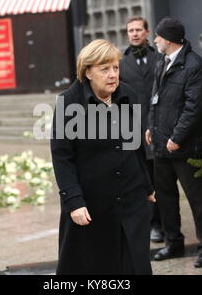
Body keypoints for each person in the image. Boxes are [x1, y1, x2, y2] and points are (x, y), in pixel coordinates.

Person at [51, 39, 155, 275]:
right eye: (104, 69)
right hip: (91, 203)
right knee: (94, 267)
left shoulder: (127, 93)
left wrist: (147, 186)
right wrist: (74, 202)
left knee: (135, 265)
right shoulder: (69, 101)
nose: (112, 75)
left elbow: (134, 144)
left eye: (116, 68)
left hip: (131, 196)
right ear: (87, 71)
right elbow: (61, 156)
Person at [146, 17, 202, 268]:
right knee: (165, 198)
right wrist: (150, 126)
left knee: (198, 199)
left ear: (168, 39)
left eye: (157, 36)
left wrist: (177, 138)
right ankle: (173, 243)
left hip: (185, 147)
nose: (154, 40)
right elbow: (155, 96)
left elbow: (194, 108)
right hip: (161, 145)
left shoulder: (194, 66)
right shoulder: (162, 62)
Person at [119, 16, 164, 243]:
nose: (134, 34)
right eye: (130, 31)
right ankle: (149, 222)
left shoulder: (159, 59)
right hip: (133, 130)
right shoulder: (120, 63)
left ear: (147, 32)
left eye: (138, 30)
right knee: (139, 180)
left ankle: (162, 222)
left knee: (160, 179)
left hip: (157, 128)